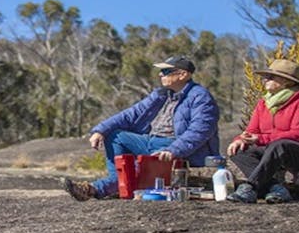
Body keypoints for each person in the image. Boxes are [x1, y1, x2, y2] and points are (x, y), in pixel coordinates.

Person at [64, 55, 220, 201]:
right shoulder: (162, 94)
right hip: (150, 141)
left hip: (174, 147)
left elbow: (200, 130)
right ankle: (117, 182)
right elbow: (132, 113)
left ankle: (97, 189)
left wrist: (174, 150)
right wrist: (101, 130)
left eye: (166, 71)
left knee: (139, 168)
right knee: (114, 136)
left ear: (183, 75)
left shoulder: (201, 96)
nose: (160, 75)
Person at [226, 59, 299, 204]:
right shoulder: (263, 103)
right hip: (272, 150)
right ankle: (276, 189)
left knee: (279, 145)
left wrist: (261, 139)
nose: (265, 80)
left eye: (271, 77)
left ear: (286, 81)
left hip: (293, 152)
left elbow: (296, 133)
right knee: (239, 151)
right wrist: (240, 140)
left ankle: (250, 187)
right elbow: (252, 130)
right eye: (266, 76)